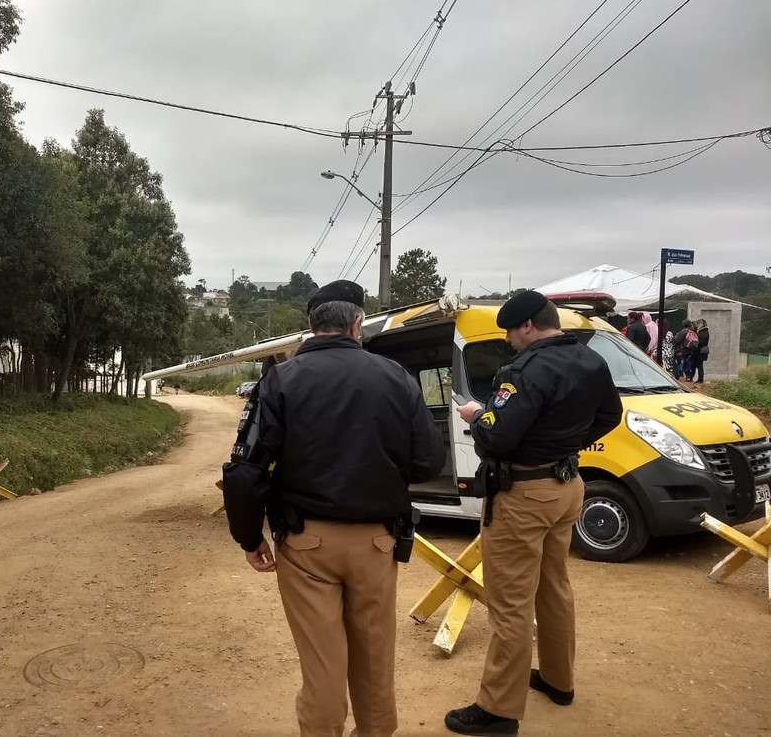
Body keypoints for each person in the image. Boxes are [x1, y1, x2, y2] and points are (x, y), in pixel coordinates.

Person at [224, 279, 446, 737]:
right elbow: (428, 461)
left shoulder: (280, 380)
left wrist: (249, 537)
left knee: (323, 666)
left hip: (306, 545)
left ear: (310, 326)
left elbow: (246, 469)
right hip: (377, 543)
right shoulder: (397, 378)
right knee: (373, 661)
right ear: (357, 324)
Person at [444, 291, 622, 736]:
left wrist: (475, 415)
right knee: (554, 586)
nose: (508, 340)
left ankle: (499, 710)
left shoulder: (521, 372)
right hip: (567, 486)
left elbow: (495, 438)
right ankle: (560, 681)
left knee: (510, 603)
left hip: (524, 494)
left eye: (509, 331)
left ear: (527, 325)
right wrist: (560, 441)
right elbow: (609, 415)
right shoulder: (589, 361)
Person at [691, 318, 710, 383]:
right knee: (698, 365)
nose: (697, 325)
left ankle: (700, 379)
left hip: (699, 351)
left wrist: (695, 342)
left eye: (698, 324)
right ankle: (699, 378)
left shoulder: (703, 332)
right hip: (700, 351)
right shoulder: (704, 332)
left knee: (699, 366)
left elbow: (701, 342)